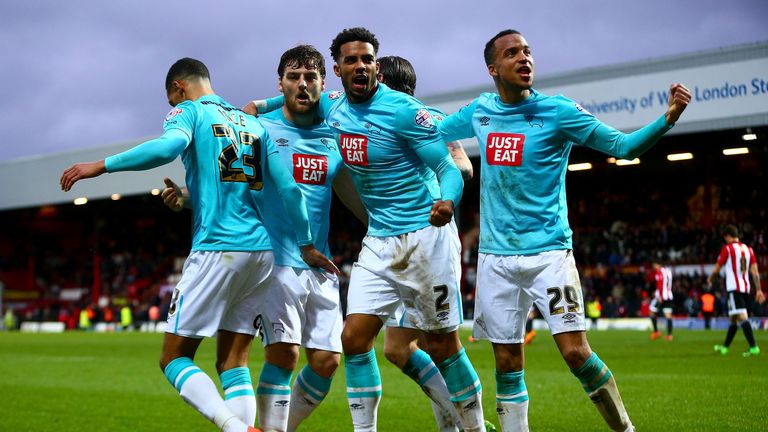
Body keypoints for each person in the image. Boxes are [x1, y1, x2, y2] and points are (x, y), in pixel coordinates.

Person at [60, 57, 337, 432]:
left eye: (172, 102)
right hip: (262, 254)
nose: (173, 109)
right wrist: (306, 244)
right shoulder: (251, 123)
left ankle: (236, 428)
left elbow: (166, 148)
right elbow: (288, 190)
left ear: (179, 88)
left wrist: (101, 165)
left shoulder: (190, 111)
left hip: (218, 249)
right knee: (233, 363)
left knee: (173, 359)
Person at [438, 29, 691, 432]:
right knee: (506, 361)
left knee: (575, 353)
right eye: (512, 53)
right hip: (494, 257)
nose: (525, 58)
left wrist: (668, 119)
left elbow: (623, 147)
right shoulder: (480, 110)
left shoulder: (558, 111)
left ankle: (625, 428)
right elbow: (433, 130)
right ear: (493, 68)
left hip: (549, 254)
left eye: (528, 51)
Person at [164, 45, 366, 432]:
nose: (302, 85)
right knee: (285, 356)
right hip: (275, 260)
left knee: (326, 362)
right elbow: (233, 186)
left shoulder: (334, 134)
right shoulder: (258, 128)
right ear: (281, 83)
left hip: (318, 262)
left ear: (324, 84)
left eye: (311, 78)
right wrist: (189, 200)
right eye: (293, 78)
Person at [323, 28, 485, 432]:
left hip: (424, 237)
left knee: (442, 345)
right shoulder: (335, 108)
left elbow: (455, 167)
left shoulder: (407, 112)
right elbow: (300, 101)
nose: (360, 66)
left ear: (377, 66)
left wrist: (447, 199)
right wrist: (256, 107)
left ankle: (472, 426)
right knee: (355, 339)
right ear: (338, 68)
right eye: (352, 60)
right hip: (378, 240)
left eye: (367, 60)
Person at [707, 225, 765, 356]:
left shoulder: (727, 249)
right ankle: (725, 348)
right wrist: (759, 290)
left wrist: (710, 278)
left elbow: (717, 268)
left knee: (742, 317)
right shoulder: (748, 249)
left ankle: (754, 347)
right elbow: (755, 272)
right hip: (746, 288)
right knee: (733, 319)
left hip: (734, 288)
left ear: (727, 236)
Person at [648, 260, 674, 341]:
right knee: (668, 315)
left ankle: (656, 332)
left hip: (662, 296)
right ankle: (669, 335)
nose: (654, 267)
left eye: (654, 265)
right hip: (669, 296)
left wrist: (660, 295)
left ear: (657, 265)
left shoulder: (659, 272)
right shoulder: (668, 271)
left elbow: (660, 283)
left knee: (651, 311)